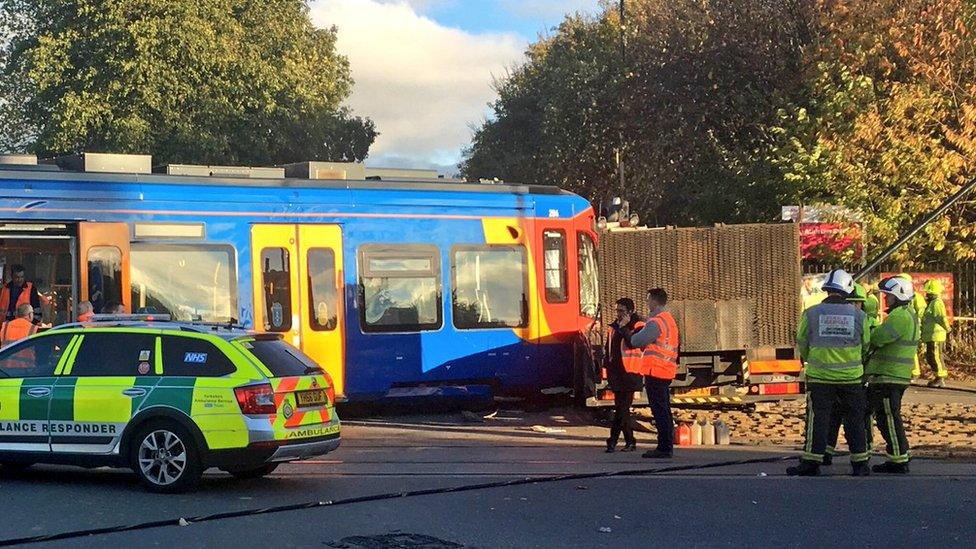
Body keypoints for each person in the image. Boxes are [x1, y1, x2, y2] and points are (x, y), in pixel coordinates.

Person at [787, 269, 871, 477]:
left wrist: (811, 360)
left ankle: (813, 461)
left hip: (820, 377)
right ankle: (860, 463)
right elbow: (866, 345)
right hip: (851, 378)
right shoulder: (859, 315)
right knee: (855, 420)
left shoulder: (811, 313)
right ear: (848, 290)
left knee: (819, 420)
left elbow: (802, 341)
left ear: (827, 289)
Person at [866, 277, 920, 474]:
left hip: (888, 376)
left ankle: (898, 459)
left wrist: (869, 330)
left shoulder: (899, 316)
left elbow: (879, 338)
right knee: (887, 417)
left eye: (888, 296)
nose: (886, 299)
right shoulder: (908, 314)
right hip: (892, 376)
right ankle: (898, 456)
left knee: (888, 417)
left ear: (898, 296)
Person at [620, 288, 679, 459]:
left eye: (647, 300)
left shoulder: (656, 323)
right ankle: (666, 445)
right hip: (665, 370)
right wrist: (639, 320)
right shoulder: (667, 319)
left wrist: (625, 329)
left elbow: (636, 341)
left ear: (654, 301)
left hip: (656, 371)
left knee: (659, 410)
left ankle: (664, 447)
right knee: (664, 410)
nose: (646, 303)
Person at [824, 282, 875, 465]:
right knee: (835, 417)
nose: (854, 307)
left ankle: (865, 451)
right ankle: (827, 451)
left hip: (859, 377)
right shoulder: (857, 319)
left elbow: (867, 347)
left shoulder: (867, 320)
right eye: (851, 302)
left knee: (859, 418)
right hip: (851, 376)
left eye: (857, 303)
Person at [604, 298, 643, 452]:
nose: (618, 314)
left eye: (621, 311)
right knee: (621, 408)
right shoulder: (613, 327)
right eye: (617, 310)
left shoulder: (638, 325)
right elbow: (610, 348)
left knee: (622, 408)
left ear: (630, 312)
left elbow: (634, 343)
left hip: (631, 372)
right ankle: (630, 441)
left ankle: (612, 441)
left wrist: (625, 327)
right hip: (616, 373)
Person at [895, 273, 925, 378]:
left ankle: (915, 371)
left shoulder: (916, 297)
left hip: (913, 327)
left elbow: (921, 312)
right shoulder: (901, 296)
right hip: (906, 325)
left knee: (911, 350)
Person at [920, 279, 950, 387]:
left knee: (935, 356)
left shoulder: (936, 303)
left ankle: (940, 377)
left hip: (936, 335)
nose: (926, 294)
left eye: (928, 292)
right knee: (931, 356)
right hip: (931, 335)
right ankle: (938, 376)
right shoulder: (933, 303)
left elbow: (940, 317)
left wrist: (948, 328)